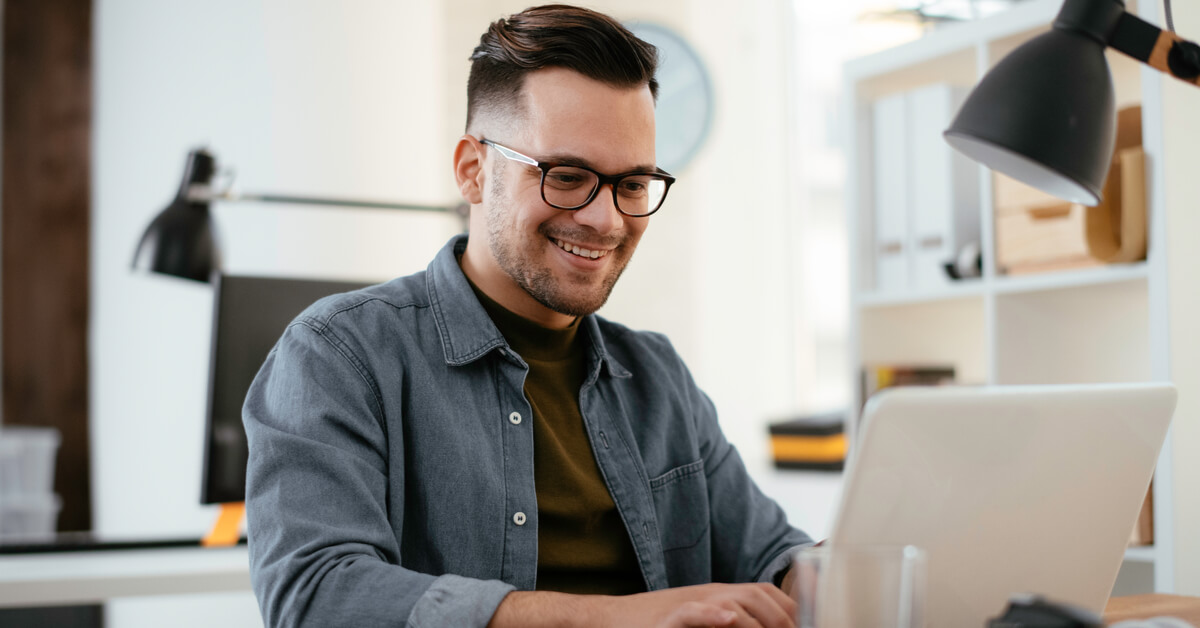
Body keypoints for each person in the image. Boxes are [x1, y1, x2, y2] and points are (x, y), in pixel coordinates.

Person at [243, 5, 812, 627]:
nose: (606, 220)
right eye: (567, 176)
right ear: (473, 170)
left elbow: (771, 554)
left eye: (633, 184)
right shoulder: (340, 353)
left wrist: (843, 567)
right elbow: (317, 596)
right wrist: (618, 619)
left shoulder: (657, 375)